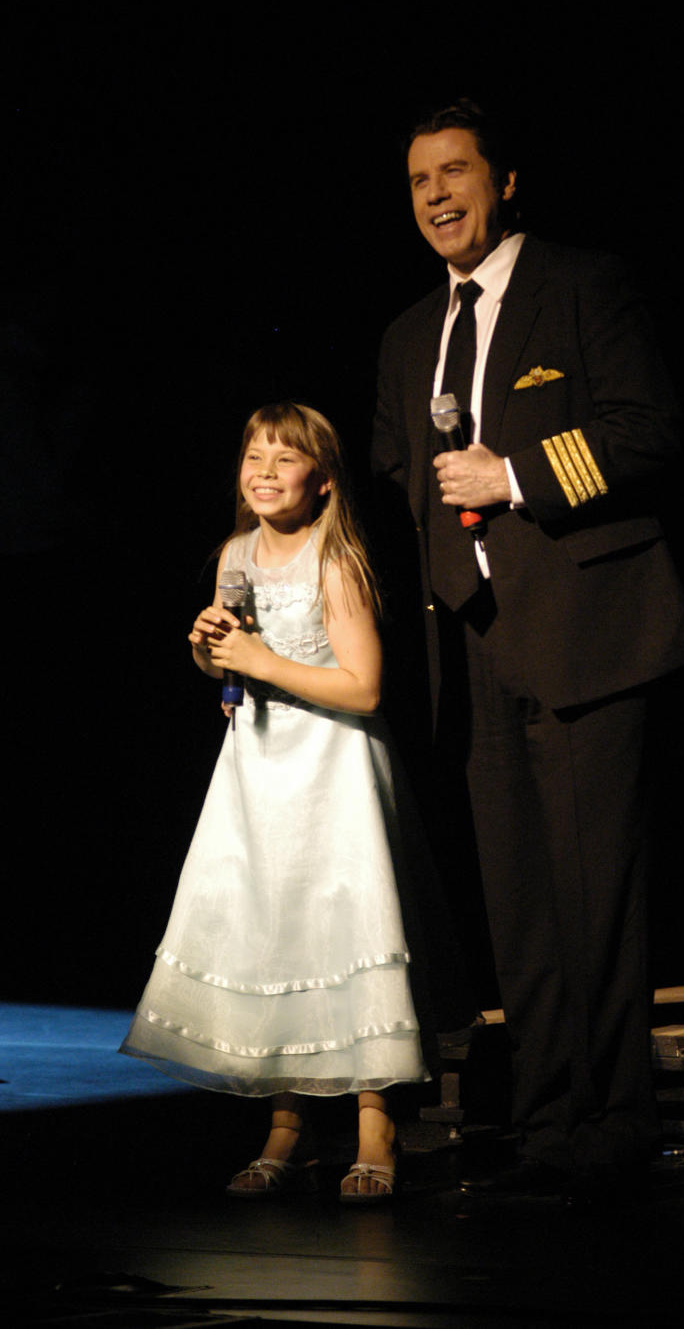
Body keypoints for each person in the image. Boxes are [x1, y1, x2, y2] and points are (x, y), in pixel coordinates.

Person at [371, 100, 684, 1200]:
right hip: (468, 649)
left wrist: (513, 475)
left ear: (504, 181)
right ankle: (552, 1116)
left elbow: (647, 427)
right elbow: (397, 484)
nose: (435, 195)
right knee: (519, 903)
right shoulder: (409, 333)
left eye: (455, 171)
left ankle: (615, 1122)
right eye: (419, 179)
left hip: (586, 632)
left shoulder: (581, 283)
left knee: (594, 894)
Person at [121, 402, 430, 1202]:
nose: (262, 473)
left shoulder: (336, 559)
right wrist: (210, 650)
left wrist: (259, 658)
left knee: (343, 932)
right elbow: (232, 671)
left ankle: (374, 1124)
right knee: (271, 934)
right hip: (258, 769)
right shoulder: (236, 553)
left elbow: (363, 687)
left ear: (321, 481)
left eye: (282, 460)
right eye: (253, 457)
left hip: (333, 768)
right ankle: (287, 1128)